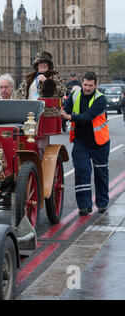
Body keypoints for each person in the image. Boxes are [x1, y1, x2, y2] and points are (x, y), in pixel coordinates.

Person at [61, 71, 110, 216]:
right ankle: (84, 206)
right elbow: (65, 110)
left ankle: (102, 203)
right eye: (85, 84)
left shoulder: (101, 99)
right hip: (81, 141)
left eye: (90, 85)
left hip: (99, 142)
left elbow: (88, 116)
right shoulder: (74, 95)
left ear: (96, 85)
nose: (87, 88)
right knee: (82, 171)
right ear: (81, 83)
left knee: (101, 173)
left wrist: (69, 117)